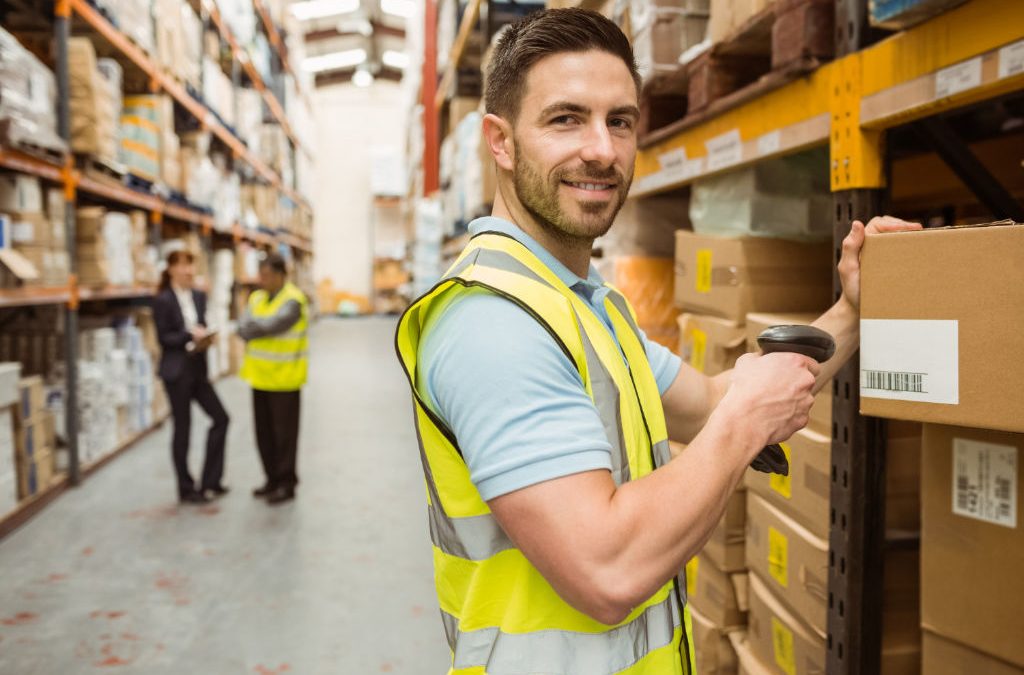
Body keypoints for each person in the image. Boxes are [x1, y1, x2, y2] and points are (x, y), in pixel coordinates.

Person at [395, 9, 921, 674]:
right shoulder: (492, 324)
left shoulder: (584, 308)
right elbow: (606, 570)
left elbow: (713, 400)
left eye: (620, 121)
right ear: (500, 142)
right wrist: (740, 426)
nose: (603, 150)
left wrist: (852, 310)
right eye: (566, 119)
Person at [153, 250, 230, 504]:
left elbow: (201, 324)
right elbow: (164, 338)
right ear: (172, 269)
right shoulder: (163, 300)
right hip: (176, 372)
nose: (188, 271)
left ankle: (211, 481)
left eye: (191, 265)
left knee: (221, 418)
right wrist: (189, 336)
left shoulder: (198, 296)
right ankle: (186, 488)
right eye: (183, 266)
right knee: (182, 429)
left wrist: (206, 338)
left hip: (197, 369)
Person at [238, 253, 309, 505]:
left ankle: (286, 483)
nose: (262, 280)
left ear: (280, 275)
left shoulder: (293, 301)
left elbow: (272, 326)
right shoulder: (256, 297)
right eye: (261, 275)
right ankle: (271, 480)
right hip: (259, 378)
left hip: (285, 380)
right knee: (264, 434)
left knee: (285, 437)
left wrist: (253, 328)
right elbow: (242, 325)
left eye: (267, 275)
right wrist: (252, 327)